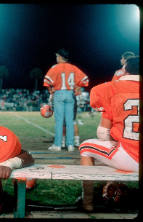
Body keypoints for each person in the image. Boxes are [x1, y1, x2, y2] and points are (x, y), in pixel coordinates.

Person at [78, 56, 140, 212]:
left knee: (86, 146)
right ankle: (114, 187)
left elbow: (103, 133)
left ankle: (88, 202)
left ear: (124, 70)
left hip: (130, 156)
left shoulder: (110, 89)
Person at [43, 49, 89, 152]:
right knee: (70, 121)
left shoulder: (56, 68)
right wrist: (77, 88)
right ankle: (70, 145)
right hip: (70, 94)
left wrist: (51, 90)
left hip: (59, 93)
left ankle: (58, 145)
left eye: (57, 57)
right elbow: (85, 80)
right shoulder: (73, 68)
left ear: (59, 57)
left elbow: (46, 81)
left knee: (59, 121)